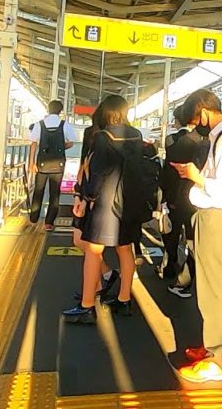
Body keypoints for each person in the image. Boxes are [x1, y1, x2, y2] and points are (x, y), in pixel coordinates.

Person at [170, 89, 222, 383]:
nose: (194, 126)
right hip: (210, 216)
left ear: (204, 112)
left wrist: (195, 176)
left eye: (194, 120)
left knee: (213, 289)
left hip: (216, 217)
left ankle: (217, 359)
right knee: (208, 286)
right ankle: (213, 347)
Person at [63, 95, 141, 323]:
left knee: (93, 251)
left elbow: (97, 174)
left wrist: (86, 198)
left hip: (106, 203)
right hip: (129, 201)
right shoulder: (137, 135)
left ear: (105, 112)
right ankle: (124, 299)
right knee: (125, 250)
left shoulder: (102, 137)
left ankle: (87, 306)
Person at [69, 106, 118, 304]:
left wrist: (84, 195)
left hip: (94, 196)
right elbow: (84, 163)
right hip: (87, 192)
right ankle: (105, 275)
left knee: (86, 244)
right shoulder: (95, 134)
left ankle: (96, 287)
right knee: (80, 241)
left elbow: (87, 165)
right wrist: (78, 191)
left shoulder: (107, 137)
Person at [159, 102, 208, 298]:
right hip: (200, 200)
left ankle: (171, 266)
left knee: (171, 233)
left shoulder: (174, 141)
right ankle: (188, 277)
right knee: (193, 240)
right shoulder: (206, 142)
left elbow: (169, 173)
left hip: (177, 197)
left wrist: (166, 197)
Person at [29, 100, 80, 230]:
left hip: (42, 164)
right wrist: (59, 148)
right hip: (58, 164)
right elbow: (71, 143)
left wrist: (31, 163)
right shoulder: (65, 125)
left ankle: (33, 219)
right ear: (60, 111)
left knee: (38, 191)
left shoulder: (39, 125)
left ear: (48, 109)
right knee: (55, 193)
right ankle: (49, 222)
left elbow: (33, 143)